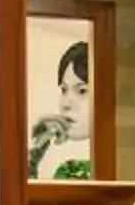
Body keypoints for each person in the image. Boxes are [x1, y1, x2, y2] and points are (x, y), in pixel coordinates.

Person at [29, 39, 94, 179]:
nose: (66, 104)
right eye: (64, 90)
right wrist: (35, 152)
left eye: (82, 91)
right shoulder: (67, 169)